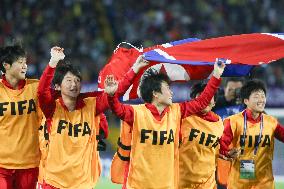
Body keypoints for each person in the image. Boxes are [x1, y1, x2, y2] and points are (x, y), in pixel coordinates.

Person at [37, 47, 148, 189]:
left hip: (82, 184)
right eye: (69, 80)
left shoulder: (91, 105)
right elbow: (41, 91)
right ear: (58, 86)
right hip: (54, 183)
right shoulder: (52, 108)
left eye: (77, 80)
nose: (74, 84)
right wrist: (53, 62)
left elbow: (115, 91)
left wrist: (135, 68)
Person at [104, 60, 226, 189]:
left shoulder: (176, 111)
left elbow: (202, 102)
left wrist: (216, 75)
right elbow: (117, 109)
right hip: (138, 185)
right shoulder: (137, 112)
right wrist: (111, 96)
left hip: (166, 186)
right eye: (167, 88)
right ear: (156, 94)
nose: (171, 93)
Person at [219, 79, 284, 189]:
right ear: (246, 101)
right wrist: (228, 153)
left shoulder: (271, 122)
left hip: (265, 182)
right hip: (239, 183)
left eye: (263, 96)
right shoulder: (232, 122)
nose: (261, 100)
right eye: (256, 96)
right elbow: (220, 146)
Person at [0, 45, 42, 189]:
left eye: (26, 62)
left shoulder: (35, 88)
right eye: (20, 62)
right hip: (1, 166)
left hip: (29, 164)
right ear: (6, 65)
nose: (25, 66)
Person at [179, 83, 223, 189]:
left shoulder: (219, 123)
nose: (206, 100)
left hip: (207, 183)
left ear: (215, 103)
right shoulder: (182, 117)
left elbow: (218, 152)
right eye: (202, 96)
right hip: (181, 181)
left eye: (209, 97)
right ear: (194, 101)